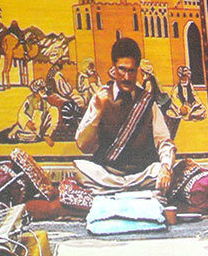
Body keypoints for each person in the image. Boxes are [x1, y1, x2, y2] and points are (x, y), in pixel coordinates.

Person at [74, 37, 176, 193]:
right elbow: (83, 146)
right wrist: (97, 112)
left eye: (131, 71)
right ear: (114, 69)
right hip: (107, 175)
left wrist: (166, 168)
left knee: (162, 171)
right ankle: (127, 191)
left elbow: (164, 141)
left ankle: (115, 192)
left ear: (137, 70)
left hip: (141, 175)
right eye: (122, 69)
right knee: (81, 170)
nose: (127, 77)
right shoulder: (100, 98)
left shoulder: (148, 102)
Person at [5, 78, 57, 146]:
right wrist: (27, 122)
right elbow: (21, 114)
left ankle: (46, 135)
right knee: (28, 136)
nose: (44, 91)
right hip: (28, 127)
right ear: (36, 92)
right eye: (41, 89)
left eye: (44, 89)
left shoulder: (44, 102)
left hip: (38, 127)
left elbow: (51, 112)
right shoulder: (29, 101)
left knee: (54, 110)